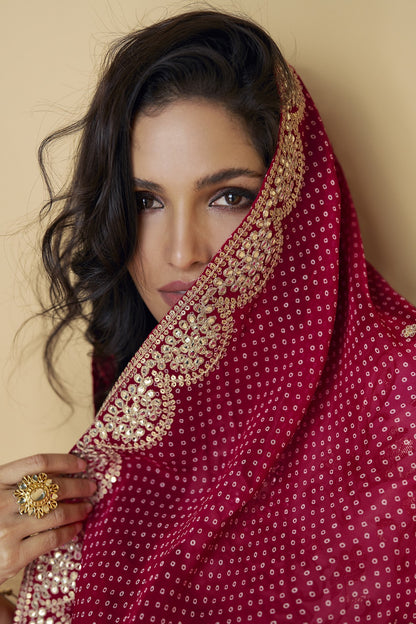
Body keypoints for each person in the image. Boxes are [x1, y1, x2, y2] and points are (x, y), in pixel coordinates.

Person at [1, 9, 416, 624]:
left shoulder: (401, 405)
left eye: (228, 197)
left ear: (297, 204)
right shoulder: (154, 402)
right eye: (145, 201)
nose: (180, 253)